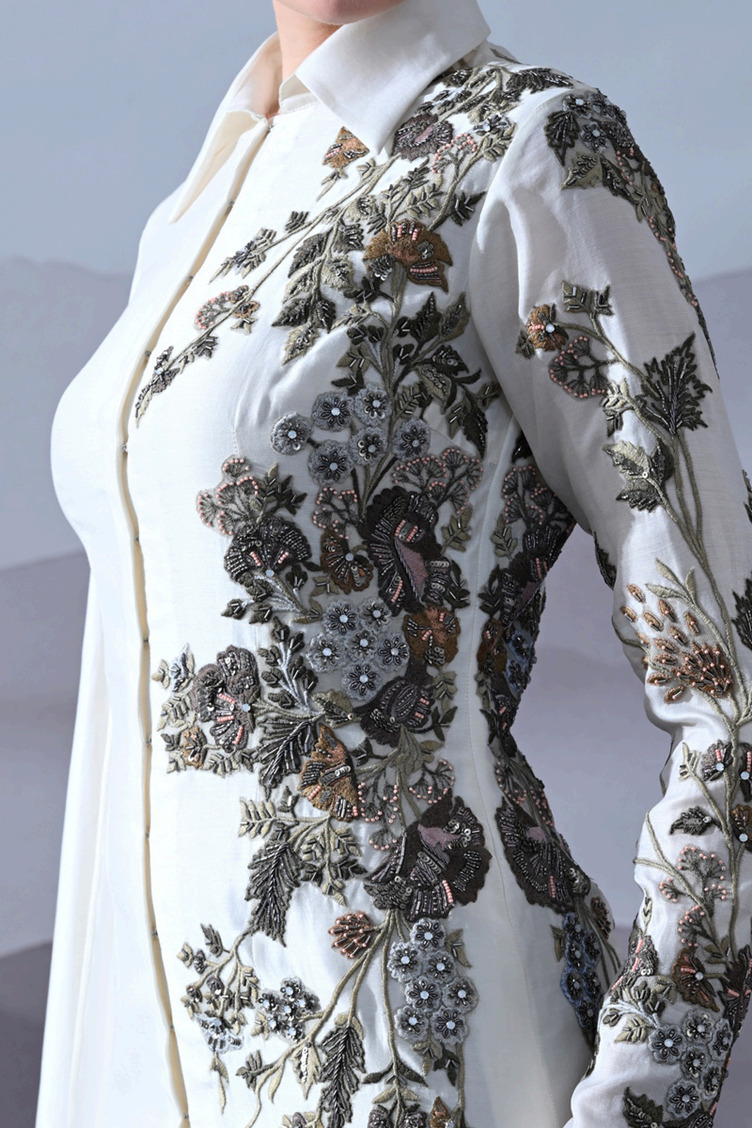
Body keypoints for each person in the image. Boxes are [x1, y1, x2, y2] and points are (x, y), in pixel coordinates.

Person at [37, 0, 752, 1125]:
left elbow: (733, 693)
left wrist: (640, 1102)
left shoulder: (531, 152)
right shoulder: (207, 193)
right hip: (149, 1070)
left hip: (432, 1060)